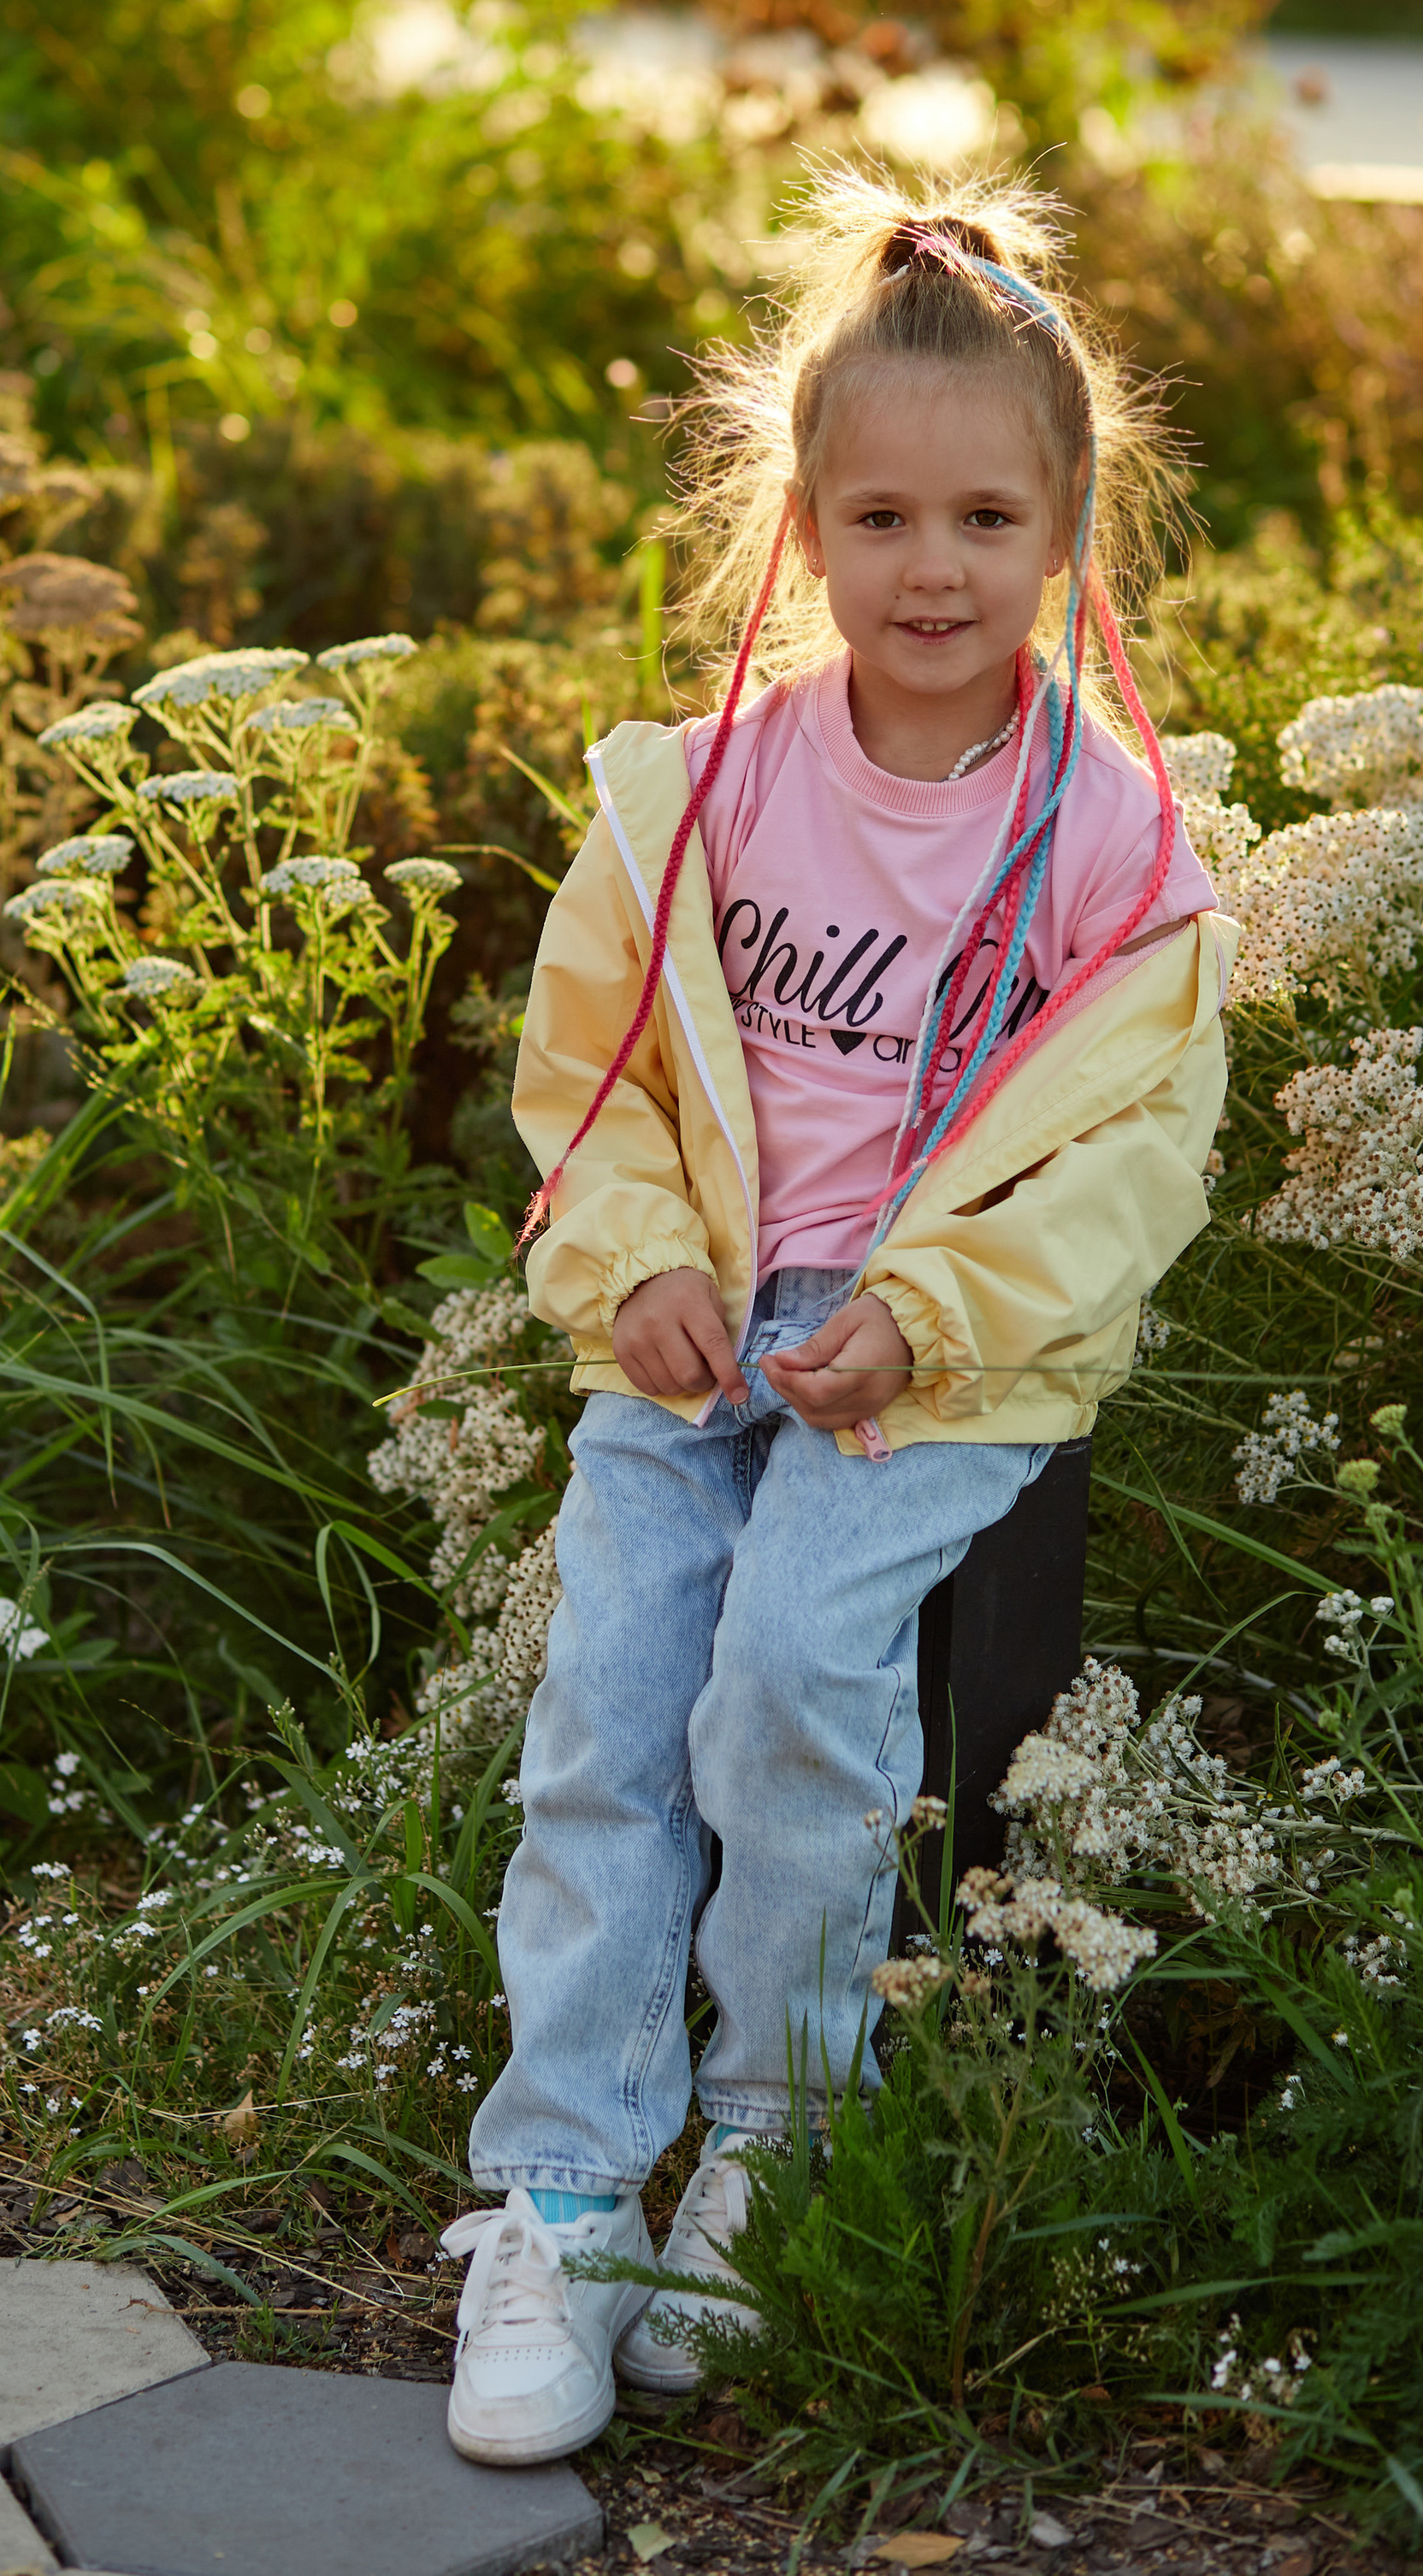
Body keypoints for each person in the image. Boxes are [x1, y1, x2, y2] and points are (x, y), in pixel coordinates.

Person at [439, 167, 1234, 2467]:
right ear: (798, 523)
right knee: (609, 1708)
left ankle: (779, 2138)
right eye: (879, 515)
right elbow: (586, 1076)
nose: (933, 569)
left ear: (1071, 525)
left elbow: (1132, 1158)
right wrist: (644, 1272)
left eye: (988, 517)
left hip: (936, 1356)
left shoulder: (1106, 844)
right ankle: (566, 2191)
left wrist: (927, 1314)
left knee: (792, 1688)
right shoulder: (702, 795)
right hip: (694, 1325)